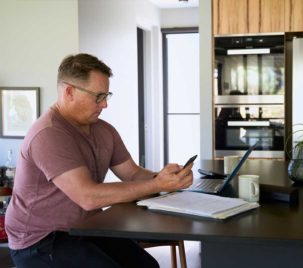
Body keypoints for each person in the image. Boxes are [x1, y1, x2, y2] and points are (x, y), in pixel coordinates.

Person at [5, 53, 194, 268]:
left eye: (107, 96)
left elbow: (131, 173)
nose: (104, 105)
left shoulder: (103, 130)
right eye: (98, 96)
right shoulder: (49, 134)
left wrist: (164, 177)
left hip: (85, 227)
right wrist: (157, 185)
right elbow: (88, 197)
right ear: (69, 92)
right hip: (41, 239)